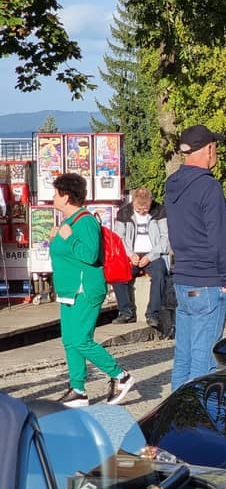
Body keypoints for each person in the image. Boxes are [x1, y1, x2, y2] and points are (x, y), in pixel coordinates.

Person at [49, 173, 135, 407]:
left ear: (66, 197)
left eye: (56, 193)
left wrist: (68, 239)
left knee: (81, 340)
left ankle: (120, 375)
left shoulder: (85, 221)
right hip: (69, 290)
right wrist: (57, 237)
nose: (52, 197)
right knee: (70, 341)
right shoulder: (68, 222)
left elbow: (90, 255)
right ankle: (78, 389)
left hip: (84, 289)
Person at [164, 124, 226, 391]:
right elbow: (220, 237)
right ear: (208, 149)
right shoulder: (209, 186)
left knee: (183, 358)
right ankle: (196, 412)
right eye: (214, 146)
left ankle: (175, 409)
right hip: (208, 280)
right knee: (204, 361)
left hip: (184, 278)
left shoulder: (172, 184)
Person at [112, 187, 171, 328]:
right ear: (133, 203)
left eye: (146, 209)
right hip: (132, 254)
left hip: (153, 254)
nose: (143, 212)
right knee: (118, 274)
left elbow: (165, 238)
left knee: (159, 275)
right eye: (139, 210)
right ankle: (126, 312)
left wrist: (150, 256)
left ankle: (153, 314)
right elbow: (119, 238)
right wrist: (130, 254)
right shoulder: (124, 213)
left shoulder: (160, 211)